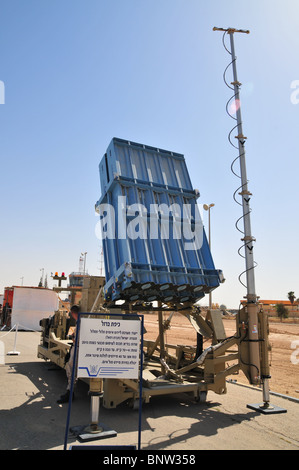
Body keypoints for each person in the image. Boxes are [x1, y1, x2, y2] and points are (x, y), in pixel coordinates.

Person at [57, 304, 80, 404]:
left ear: (73, 313)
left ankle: (70, 393)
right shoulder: (80, 321)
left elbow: (77, 339)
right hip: (77, 348)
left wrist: (73, 338)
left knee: (71, 369)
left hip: (78, 348)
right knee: (71, 369)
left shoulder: (81, 322)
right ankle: (70, 391)